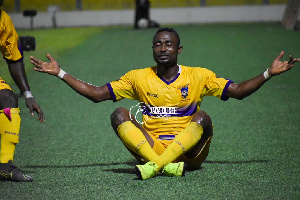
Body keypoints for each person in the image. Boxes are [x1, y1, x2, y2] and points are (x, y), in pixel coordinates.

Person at [30, 27, 299, 180]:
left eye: (169, 44)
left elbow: (238, 91)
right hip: (151, 146)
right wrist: (60, 73)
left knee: (203, 118)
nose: (163, 48)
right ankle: (163, 164)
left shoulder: (198, 75)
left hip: (189, 155)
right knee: (119, 113)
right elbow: (98, 93)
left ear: (178, 50)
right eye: (157, 44)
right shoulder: (138, 77)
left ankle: (157, 165)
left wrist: (268, 73)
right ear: (153, 49)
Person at [0, 0, 44, 182]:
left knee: (8, 99)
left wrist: (28, 94)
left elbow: (14, 59)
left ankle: (4, 167)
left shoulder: (3, 20)